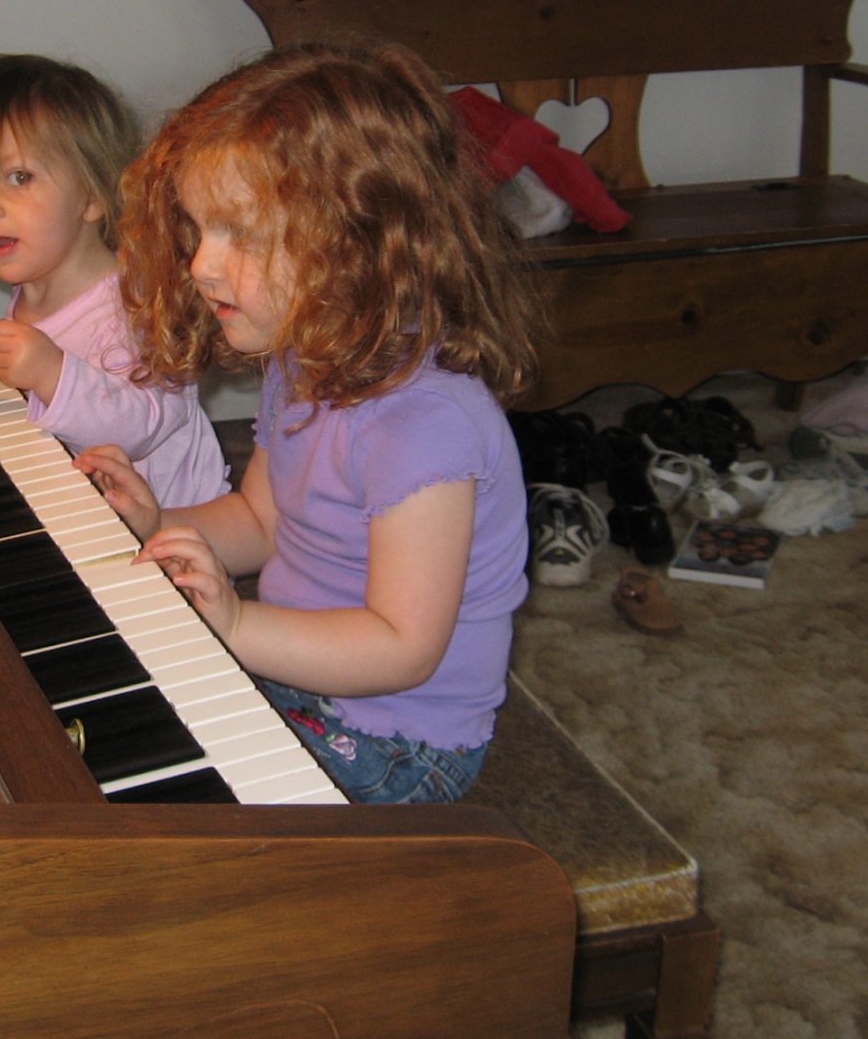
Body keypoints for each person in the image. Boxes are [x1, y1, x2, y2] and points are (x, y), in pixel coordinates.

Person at [77, 42, 543, 804]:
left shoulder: (425, 427)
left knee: (173, 804)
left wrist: (235, 626)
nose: (200, 266)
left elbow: (401, 648)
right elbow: (262, 522)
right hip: (299, 678)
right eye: (199, 230)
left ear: (359, 245)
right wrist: (154, 521)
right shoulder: (304, 362)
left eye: (241, 234)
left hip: (398, 742)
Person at [0, 54, 228, 508]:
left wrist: (51, 373)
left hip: (169, 534)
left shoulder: (134, 306)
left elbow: (140, 429)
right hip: (80, 504)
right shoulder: (35, 291)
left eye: (18, 177)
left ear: (91, 195)